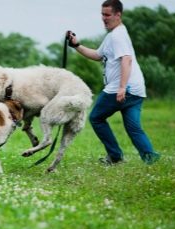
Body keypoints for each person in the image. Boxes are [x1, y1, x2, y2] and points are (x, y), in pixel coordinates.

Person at [67, 0, 160, 165]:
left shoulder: (117, 36)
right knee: (133, 128)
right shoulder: (114, 34)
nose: (104, 18)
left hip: (121, 88)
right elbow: (97, 55)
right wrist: (77, 45)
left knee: (96, 118)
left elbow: (127, 59)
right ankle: (150, 158)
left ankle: (115, 157)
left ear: (118, 15)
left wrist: (122, 87)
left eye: (107, 15)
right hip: (137, 89)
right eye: (102, 14)